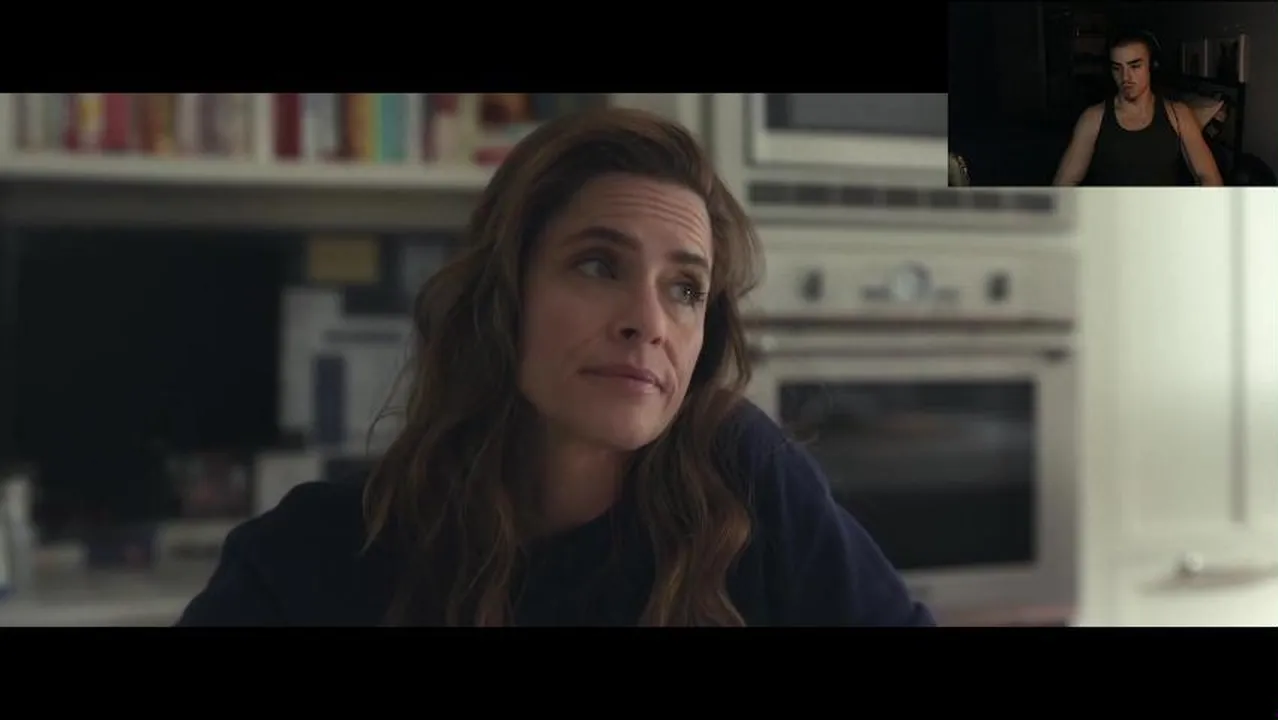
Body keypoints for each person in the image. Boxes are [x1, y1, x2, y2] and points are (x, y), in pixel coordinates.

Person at [177, 107, 935, 627]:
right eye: (599, 264)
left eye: (685, 289)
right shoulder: (318, 556)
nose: (649, 322)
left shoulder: (747, 483)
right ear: (503, 299)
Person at [1052, 30, 1223, 186]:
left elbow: (1209, 177)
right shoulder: (1093, 118)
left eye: (1134, 66)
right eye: (1117, 68)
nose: (1125, 77)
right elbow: (1063, 184)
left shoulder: (1179, 115)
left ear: (1152, 66)